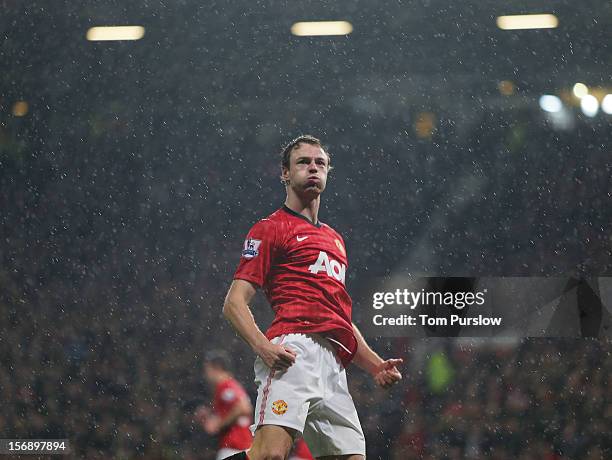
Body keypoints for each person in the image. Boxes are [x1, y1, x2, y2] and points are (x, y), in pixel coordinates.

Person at [222, 135, 403, 460]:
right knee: (270, 455)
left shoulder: (335, 240)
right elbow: (234, 302)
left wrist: (375, 365)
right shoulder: (270, 228)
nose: (313, 168)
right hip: (295, 352)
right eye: (303, 162)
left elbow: (339, 318)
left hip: (333, 363)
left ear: (328, 172)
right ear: (285, 174)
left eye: (320, 163)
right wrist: (263, 346)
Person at [195, 351, 254, 460]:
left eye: (207, 369)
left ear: (216, 368)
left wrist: (219, 424)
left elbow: (244, 407)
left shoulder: (226, 386)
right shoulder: (228, 386)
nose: (205, 374)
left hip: (235, 446)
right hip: (237, 446)